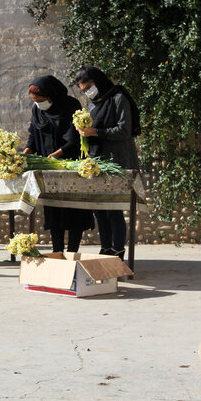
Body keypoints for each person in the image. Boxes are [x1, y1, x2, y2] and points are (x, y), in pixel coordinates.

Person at [74, 66, 141, 260]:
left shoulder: (118, 98)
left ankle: (118, 252)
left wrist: (95, 132)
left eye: (89, 86)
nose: (88, 92)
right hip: (97, 160)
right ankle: (106, 249)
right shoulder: (94, 103)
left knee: (113, 210)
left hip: (116, 160)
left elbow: (124, 130)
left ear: (98, 80)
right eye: (83, 90)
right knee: (100, 210)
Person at [23, 75, 95, 252]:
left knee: (73, 211)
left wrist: (57, 155)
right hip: (49, 167)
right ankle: (57, 252)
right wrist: (27, 151)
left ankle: (72, 252)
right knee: (54, 211)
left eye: (41, 100)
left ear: (51, 95)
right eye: (36, 102)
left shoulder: (70, 106)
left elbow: (74, 138)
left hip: (70, 163)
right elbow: (34, 133)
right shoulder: (37, 110)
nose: (39, 105)